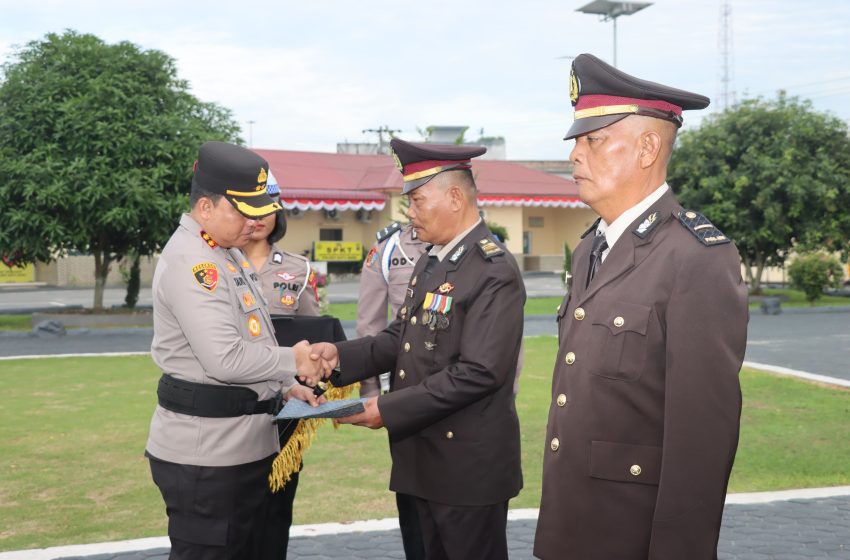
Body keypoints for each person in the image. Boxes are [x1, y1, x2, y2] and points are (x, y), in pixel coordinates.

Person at [533, 54, 749, 559]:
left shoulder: (695, 258)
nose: (575, 155)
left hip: (630, 536)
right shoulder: (591, 248)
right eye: (577, 142)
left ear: (648, 148)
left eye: (593, 141)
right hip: (572, 527)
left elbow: (702, 438)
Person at [310, 137, 525, 560]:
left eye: (417, 201)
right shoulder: (432, 260)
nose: (409, 213)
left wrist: (387, 408)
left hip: (466, 471)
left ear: (456, 198)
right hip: (419, 460)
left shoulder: (493, 270)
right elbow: (401, 337)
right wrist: (339, 358)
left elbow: (479, 372)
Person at [145, 141, 327, 560]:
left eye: (259, 210)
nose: (255, 221)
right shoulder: (195, 261)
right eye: (243, 211)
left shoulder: (225, 251)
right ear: (205, 207)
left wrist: (286, 386)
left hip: (239, 447)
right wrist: (295, 360)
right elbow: (224, 358)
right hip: (209, 455)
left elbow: (254, 338)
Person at [241, 170, 320, 559]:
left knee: (277, 504)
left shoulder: (298, 268)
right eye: (250, 208)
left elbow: (314, 335)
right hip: (233, 400)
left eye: (267, 208)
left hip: (284, 403)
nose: (258, 218)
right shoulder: (218, 264)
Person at [355, 220, 427, 560]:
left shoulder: (483, 248)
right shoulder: (389, 248)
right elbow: (370, 327)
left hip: (467, 397)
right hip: (406, 394)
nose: (412, 208)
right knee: (413, 505)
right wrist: (370, 394)